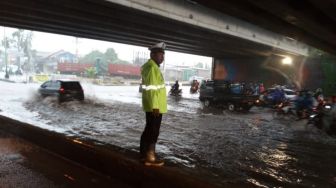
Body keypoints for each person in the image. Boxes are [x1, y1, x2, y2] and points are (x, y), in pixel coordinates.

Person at [140, 42, 167, 166]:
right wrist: (155, 106)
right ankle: (150, 158)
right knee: (153, 131)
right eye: (160, 55)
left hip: (152, 106)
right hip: (155, 107)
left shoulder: (152, 67)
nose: (162, 57)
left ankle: (144, 155)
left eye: (163, 55)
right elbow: (152, 90)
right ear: (152, 55)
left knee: (149, 130)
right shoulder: (152, 68)